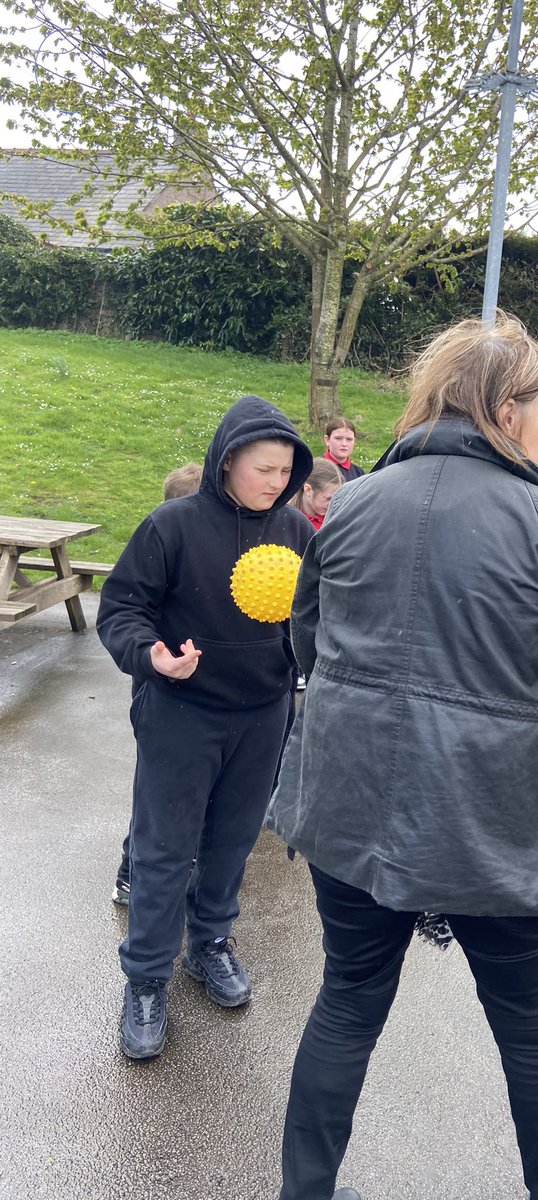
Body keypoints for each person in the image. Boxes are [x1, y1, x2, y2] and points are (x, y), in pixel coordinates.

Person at [266, 313, 538, 1200]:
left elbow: (308, 647)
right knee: (532, 1025)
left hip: (350, 804)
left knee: (347, 1000)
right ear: (507, 410)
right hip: (494, 821)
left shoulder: (353, 502)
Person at [97, 395, 313, 1059]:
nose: (277, 482)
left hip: (264, 713)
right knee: (164, 849)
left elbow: (317, 612)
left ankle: (210, 944)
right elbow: (121, 609)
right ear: (226, 463)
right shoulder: (172, 527)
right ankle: (146, 977)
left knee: (231, 842)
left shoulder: (296, 530)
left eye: (286, 471)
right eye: (264, 469)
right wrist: (152, 656)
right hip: (180, 712)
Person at [111, 461, 205, 908]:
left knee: (190, 793)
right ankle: (130, 872)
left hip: (200, 697)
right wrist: (153, 655)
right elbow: (128, 612)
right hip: (159, 692)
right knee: (156, 795)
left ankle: (185, 860)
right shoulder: (159, 552)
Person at [292, 456, 343, 531]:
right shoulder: (289, 519)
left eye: (335, 498)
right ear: (308, 490)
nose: (332, 503)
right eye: (328, 499)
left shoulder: (335, 519)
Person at [323, 417, 365, 481]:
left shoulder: (359, 473)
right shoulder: (314, 469)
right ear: (327, 440)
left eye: (349, 439)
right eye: (338, 438)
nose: (344, 444)